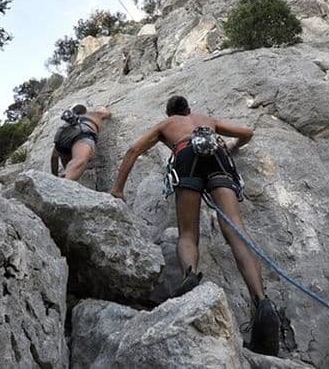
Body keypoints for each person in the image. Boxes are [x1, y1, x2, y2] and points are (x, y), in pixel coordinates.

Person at [110, 95, 280, 356]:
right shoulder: (205, 120)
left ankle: (190, 276)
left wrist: (118, 189)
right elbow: (248, 132)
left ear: (170, 114)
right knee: (236, 229)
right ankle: (261, 301)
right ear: (189, 110)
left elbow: (133, 149)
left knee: (188, 233)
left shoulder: (166, 125)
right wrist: (233, 146)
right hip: (217, 154)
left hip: (186, 155)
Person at [50, 104, 111, 181]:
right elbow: (107, 113)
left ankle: (61, 179)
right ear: (85, 111)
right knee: (80, 159)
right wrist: (103, 108)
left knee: (69, 161)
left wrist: (53, 176)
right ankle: (66, 180)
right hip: (82, 134)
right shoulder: (93, 115)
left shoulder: (66, 125)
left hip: (63, 137)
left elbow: (54, 158)